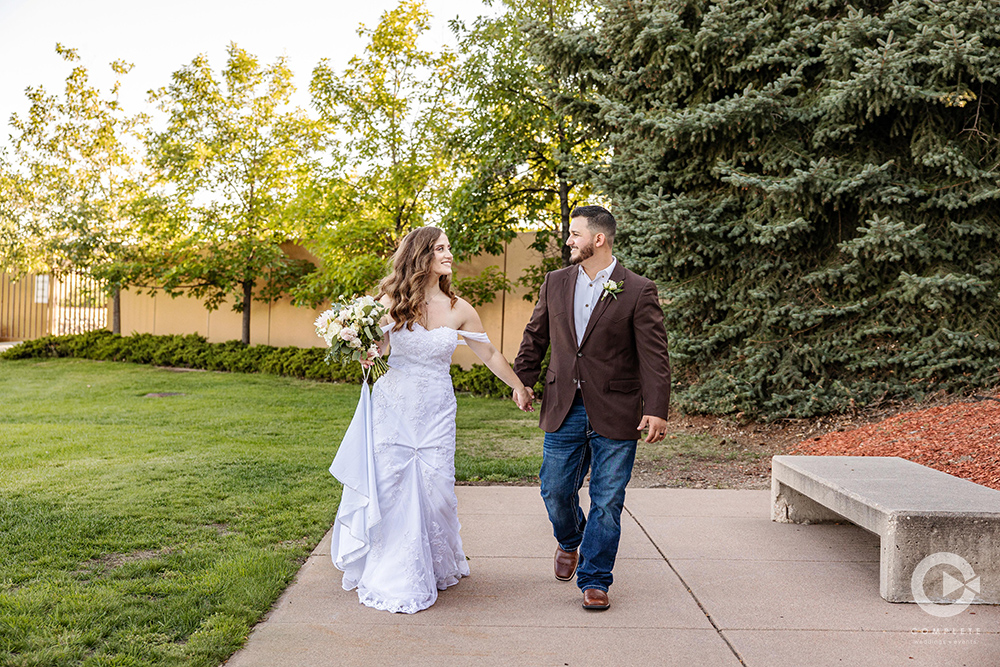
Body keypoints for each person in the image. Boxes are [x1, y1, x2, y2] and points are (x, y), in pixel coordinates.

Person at [330, 225, 534, 614]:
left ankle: (437, 562)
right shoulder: (391, 300)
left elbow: (489, 352)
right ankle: (394, 570)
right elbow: (379, 351)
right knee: (392, 487)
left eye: (448, 247)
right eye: (440, 248)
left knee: (437, 489)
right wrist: (362, 346)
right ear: (421, 255)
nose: (449, 254)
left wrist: (518, 386)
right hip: (394, 407)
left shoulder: (460, 308)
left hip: (437, 409)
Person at [513, 205, 671, 611]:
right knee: (554, 490)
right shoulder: (555, 282)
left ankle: (596, 579)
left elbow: (654, 356)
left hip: (617, 408)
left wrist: (657, 408)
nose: (569, 241)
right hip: (563, 404)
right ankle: (570, 540)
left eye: (574, 234)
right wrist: (522, 381)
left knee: (607, 498)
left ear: (598, 239)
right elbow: (536, 335)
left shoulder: (637, 289)